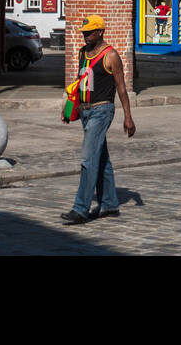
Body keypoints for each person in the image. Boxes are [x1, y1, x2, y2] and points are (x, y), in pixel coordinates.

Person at [61, 14, 135, 225]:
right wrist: (69, 108)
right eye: (84, 33)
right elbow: (79, 82)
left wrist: (128, 117)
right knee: (101, 159)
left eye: (90, 32)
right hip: (84, 111)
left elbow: (121, 88)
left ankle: (80, 208)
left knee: (87, 159)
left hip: (102, 111)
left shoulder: (111, 56)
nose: (86, 36)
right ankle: (110, 203)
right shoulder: (83, 52)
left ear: (100, 32)